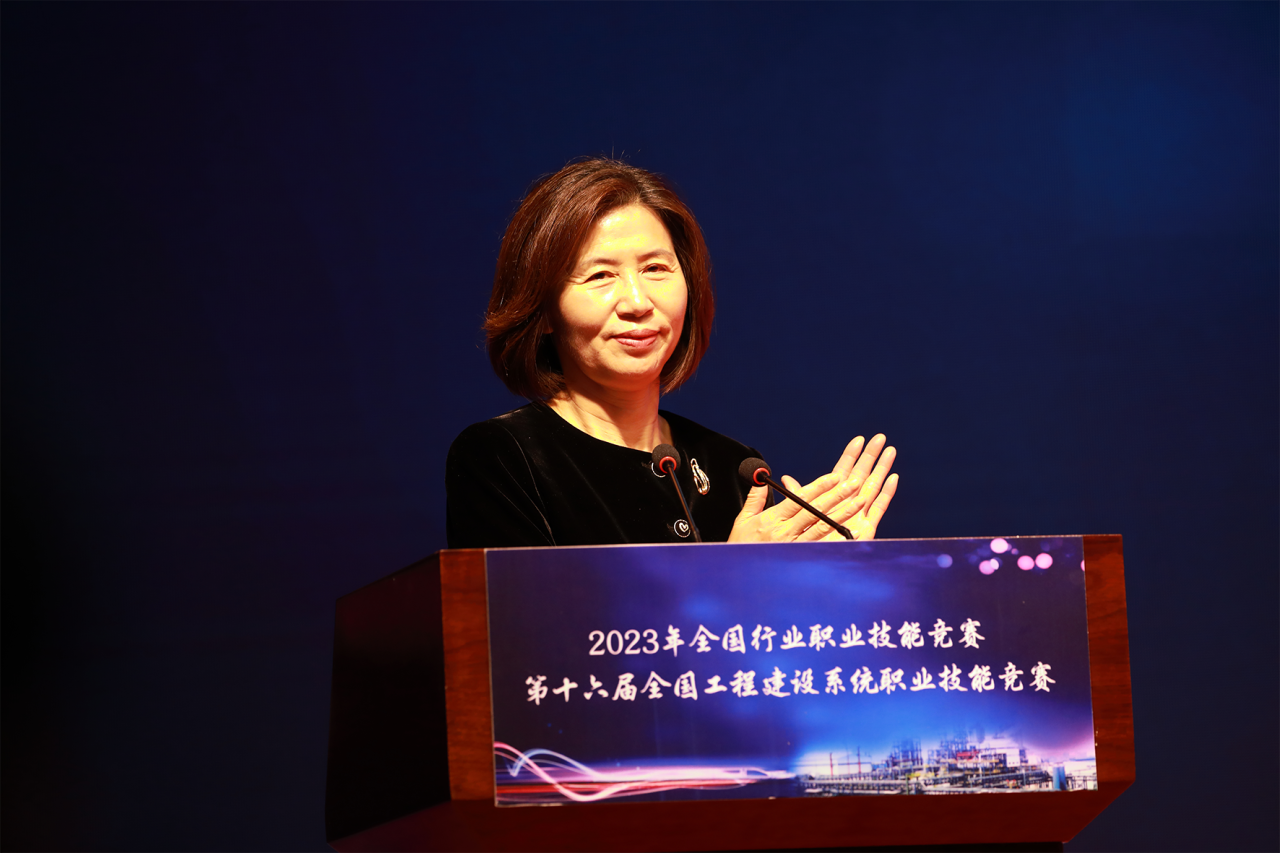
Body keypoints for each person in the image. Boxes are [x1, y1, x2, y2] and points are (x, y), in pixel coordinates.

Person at [446, 159, 897, 549]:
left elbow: (763, 623)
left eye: (656, 268)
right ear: (543, 309)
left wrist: (829, 575)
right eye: (600, 275)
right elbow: (527, 622)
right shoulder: (503, 456)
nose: (637, 301)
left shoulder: (734, 467)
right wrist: (731, 574)